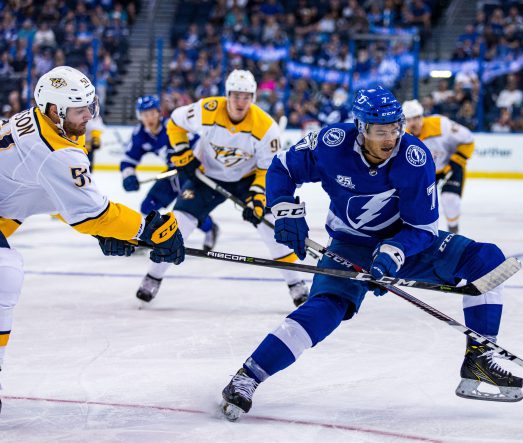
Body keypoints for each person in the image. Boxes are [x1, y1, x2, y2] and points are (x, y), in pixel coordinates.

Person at [220, 86, 522, 421]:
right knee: (324, 311)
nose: (391, 137)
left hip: (407, 244)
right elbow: (282, 168)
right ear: (362, 129)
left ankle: (480, 359)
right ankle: (249, 375)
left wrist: (393, 252)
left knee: (488, 261)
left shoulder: (414, 157)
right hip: (352, 244)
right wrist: (286, 209)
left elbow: (422, 229)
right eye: (382, 131)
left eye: (396, 127)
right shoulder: (331, 143)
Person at [0, 66, 185, 413]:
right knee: (5, 272)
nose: (89, 115)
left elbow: (56, 195)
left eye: (90, 105)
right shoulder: (56, 149)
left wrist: (102, 230)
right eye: (79, 109)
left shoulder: (46, 125)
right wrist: (148, 230)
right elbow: (93, 212)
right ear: (54, 111)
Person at [136, 70, 310, 307]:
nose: (240, 102)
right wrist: (183, 152)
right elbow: (176, 123)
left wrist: (257, 197)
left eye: (246, 96)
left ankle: (295, 282)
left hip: (247, 181)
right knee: (177, 224)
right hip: (205, 175)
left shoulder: (266, 127)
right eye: (236, 95)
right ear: (227, 95)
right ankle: (153, 276)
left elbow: (267, 169)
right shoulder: (207, 109)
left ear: (254, 97)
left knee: (271, 227)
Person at [120, 95, 219, 252]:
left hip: (192, 173)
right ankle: (147, 237)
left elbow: (199, 143)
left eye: (152, 113)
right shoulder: (140, 134)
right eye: (145, 114)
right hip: (172, 174)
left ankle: (210, 229)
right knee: (148, 206)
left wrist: (192, 164)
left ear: (159, 113)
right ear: (140, 116)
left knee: (190, 210)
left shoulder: (172, 126)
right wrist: (128, 175)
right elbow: (128, 159)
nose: (149, 118)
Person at [402, 99, 475, 233]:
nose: (414, 123)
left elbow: (468, 139)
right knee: (416, 204)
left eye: (417, 118)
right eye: (409, 119)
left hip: (450, 166)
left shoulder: (440, 124)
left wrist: (457, 160)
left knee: (450, 199)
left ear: (422, 116)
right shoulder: (403, 135)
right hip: (427, 172)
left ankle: (453, 232)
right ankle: (421, 234)